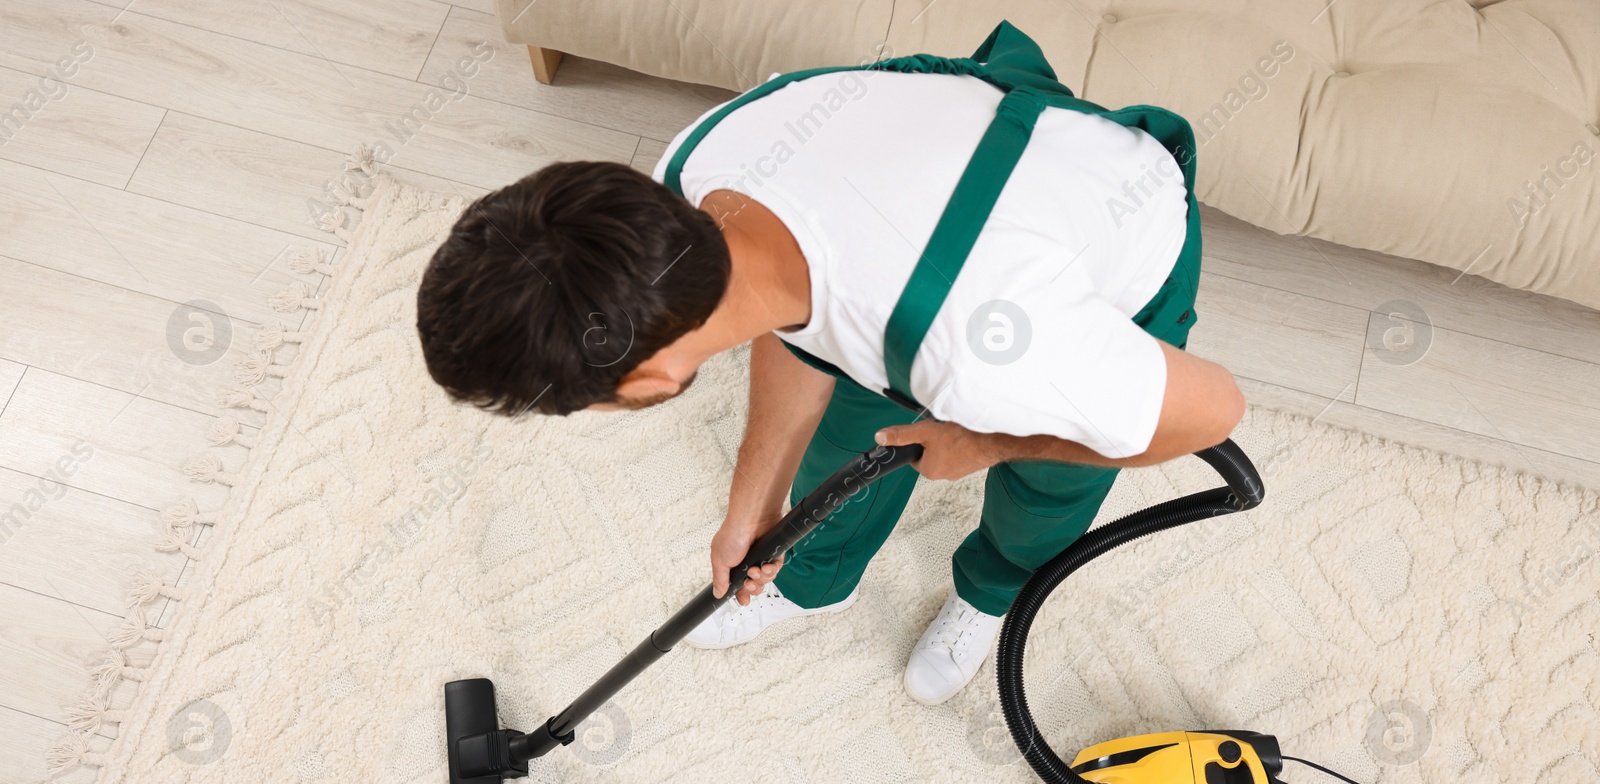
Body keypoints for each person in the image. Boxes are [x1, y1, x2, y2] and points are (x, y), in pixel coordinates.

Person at [417, 25, 1246, 706]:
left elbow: (1215, 411)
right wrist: (756, 503)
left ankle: (991, 591)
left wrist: (989, 443)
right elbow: (783, 311)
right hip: (964, 214)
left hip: (1113, 228)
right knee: (847, 442)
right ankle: (815, 579)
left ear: (649, 382)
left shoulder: (978, 353)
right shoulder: (699, 168)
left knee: (1048, 490)